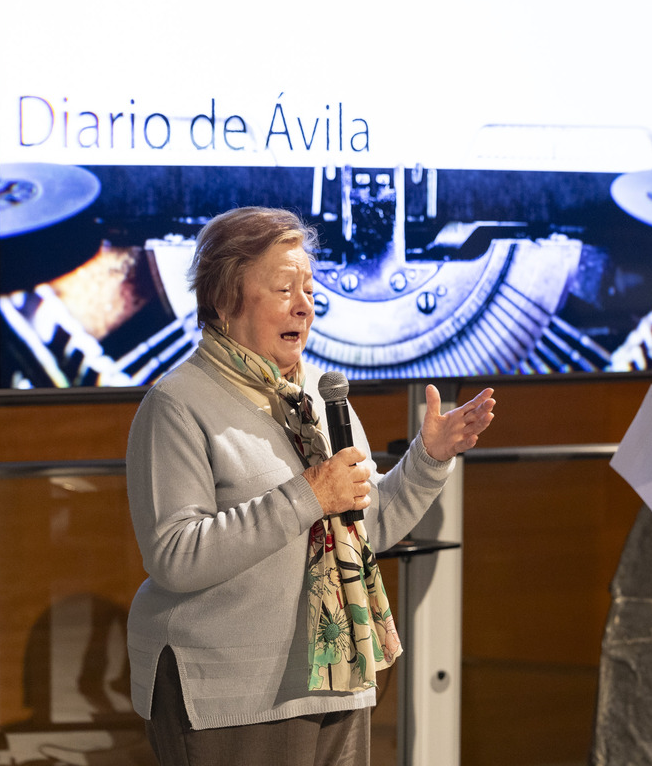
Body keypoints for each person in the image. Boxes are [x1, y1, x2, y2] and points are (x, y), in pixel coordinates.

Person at [124, 206, 496, 766]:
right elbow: (174, 555)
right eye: (283, 289)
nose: (305, 305)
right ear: (226, 300)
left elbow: (366, 529)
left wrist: (429, 460)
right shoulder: (177, 404)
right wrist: (307, 496)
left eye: (310, 289)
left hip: (337, 676)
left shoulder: (319, 400)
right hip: (231, 697)